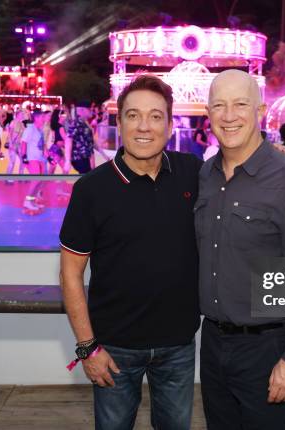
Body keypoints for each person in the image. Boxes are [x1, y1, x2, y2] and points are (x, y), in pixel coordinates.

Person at [59, 75, 201, 430]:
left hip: (178, 345)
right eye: (133, 115)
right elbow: (70, 274)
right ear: (119, 123)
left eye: (155, 116)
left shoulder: (193, 173)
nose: (144, 126)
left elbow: (242, 168)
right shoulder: (91, 190)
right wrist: (87, 348)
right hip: (113, 349)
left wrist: (277, 153)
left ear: (170, 125)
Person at [196, 69, 285, 429]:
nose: (229, 116)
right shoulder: (205, 176)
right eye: (219, 106)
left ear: (260, 109)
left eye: (240, 104)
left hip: (269, 348)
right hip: (212, 344)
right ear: (207, 112)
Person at [21, 110, 49, 213]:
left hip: (40, 158)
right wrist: (24, 157)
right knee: (36, 179)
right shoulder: (30, 128)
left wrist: (49, 157)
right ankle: (27, 201)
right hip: (32, 158)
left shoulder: (40, 130)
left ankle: (32, 201)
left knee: (40, 181)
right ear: (36, 118)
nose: (44, 119)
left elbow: (43, 145)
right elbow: (23, 143)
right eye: (42, 117)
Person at [5, 109, 26, 178]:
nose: (23, 115)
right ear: (17, 115)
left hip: (19, 145)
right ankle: (8, 178)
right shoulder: (13, 122)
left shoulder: (22, 124)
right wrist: (10, 143)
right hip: (13, 144)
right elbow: (10, 133)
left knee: (23, 161)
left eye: (23, 114)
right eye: (21, 114)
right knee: (12, 161)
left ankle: (21, 176)